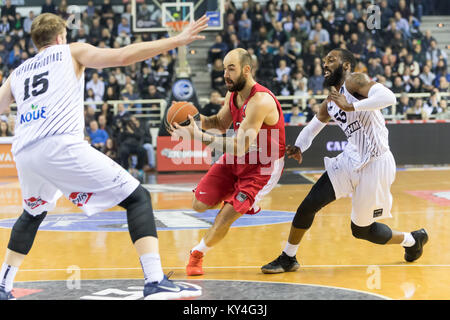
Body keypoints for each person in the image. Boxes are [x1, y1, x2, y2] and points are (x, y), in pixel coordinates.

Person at [0, 12, 209, 300]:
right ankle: (154, 280)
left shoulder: (19, 71)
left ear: (37, 42)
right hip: (59, 144)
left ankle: (2, 285)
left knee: (32, 212)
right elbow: (123, 56)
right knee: (138, 198)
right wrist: (177, 40)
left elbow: (1, 106)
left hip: (24, 151)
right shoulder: (72, 51)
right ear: (61, 37)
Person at [261, 48, 428, 274]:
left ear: (346, 65)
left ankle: (411, 240)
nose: (325, 64)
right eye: (324, 61)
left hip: (376, 163)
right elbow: (312, 128)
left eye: (331, 60)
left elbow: (390, 97)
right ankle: (288, 258)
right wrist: (299, 146)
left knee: (361, 230)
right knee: (308, 205)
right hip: (350, 159)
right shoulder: (330, 101)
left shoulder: (355, 82)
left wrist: (352, 105)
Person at [170, 48, 286, 276]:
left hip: (261, 168)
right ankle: (237, 197)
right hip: (237, 158)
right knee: (198, 204)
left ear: (246, 69)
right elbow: (219, 123)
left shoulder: (260, 101)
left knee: (224, 216)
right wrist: (188, 120)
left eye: (231, 68)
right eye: (224, 68)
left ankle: (197, 254)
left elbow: (240, 145)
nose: (225, 74)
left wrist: (198, 136)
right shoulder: (232, 95)